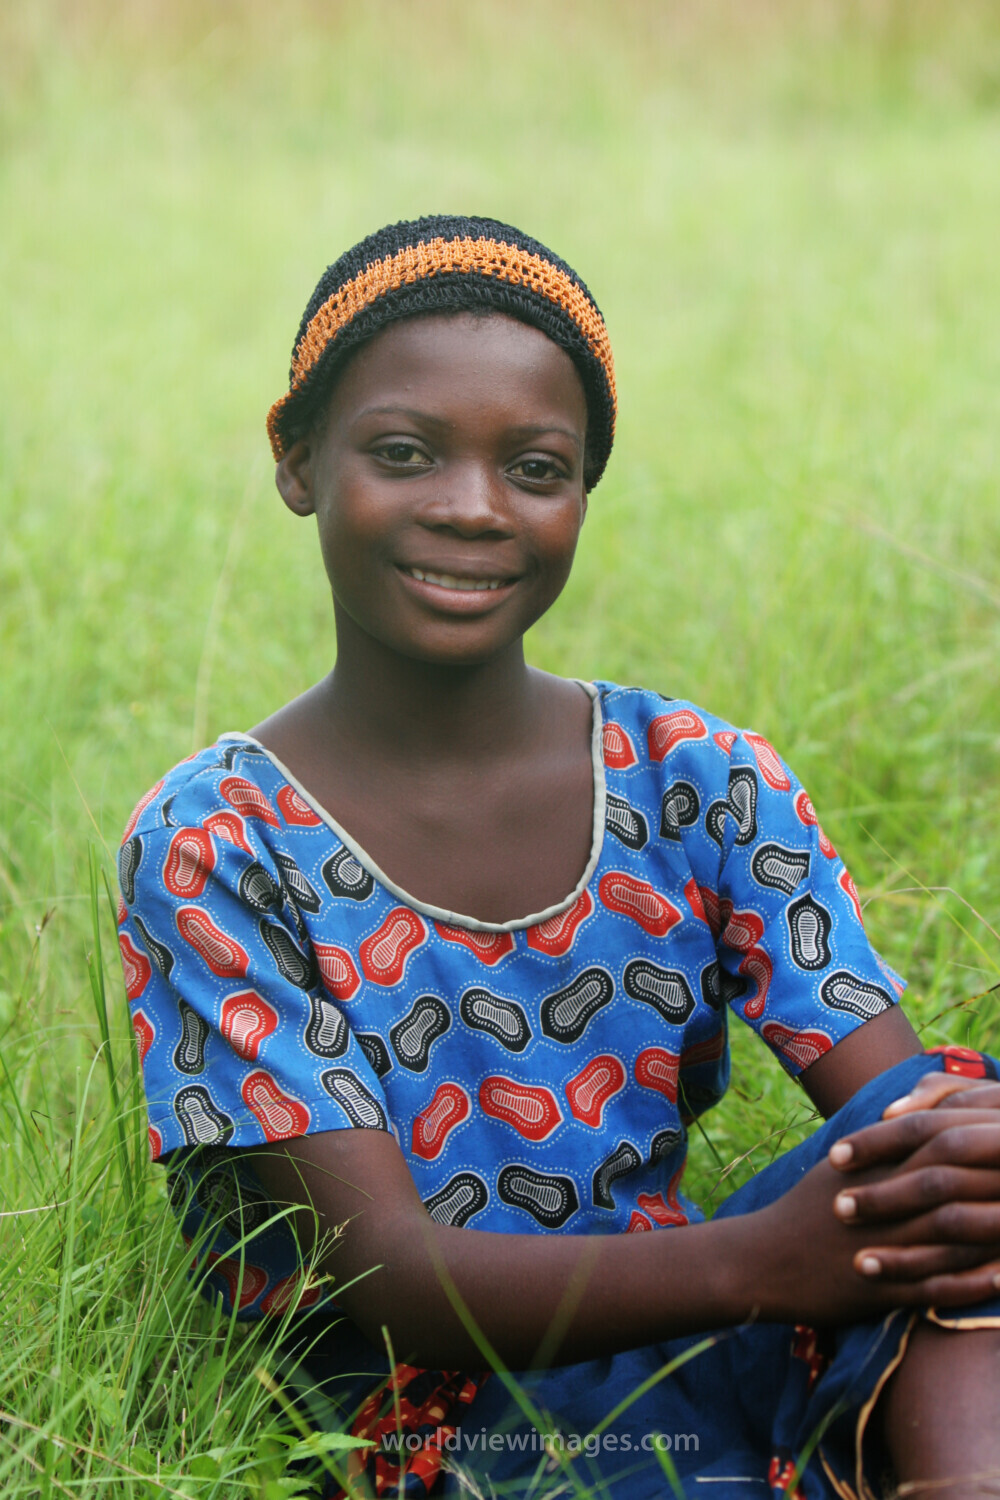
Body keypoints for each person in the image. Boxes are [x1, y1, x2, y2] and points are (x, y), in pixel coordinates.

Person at [118, 216, 1000, 1500]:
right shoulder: (219, 842)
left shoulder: (694, 776)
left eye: (535, 467)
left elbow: (898, 1107)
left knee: (957, 1141)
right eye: (405, 453)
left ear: (585, 485)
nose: (473, 508)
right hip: (429, 1429)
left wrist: (935, 1175)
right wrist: (767, 1263)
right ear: (297, 457)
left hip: (675, 1336)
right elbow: (381, 1278)